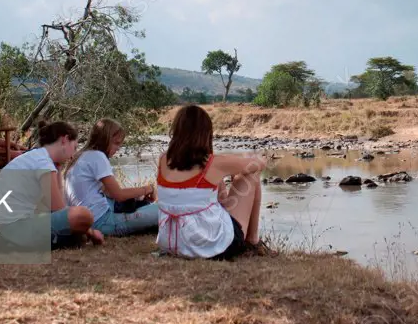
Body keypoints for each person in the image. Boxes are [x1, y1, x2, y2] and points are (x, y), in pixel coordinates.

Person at [155, 104, 272, 260]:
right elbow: (258, 164)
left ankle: (252, 241)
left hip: (173, 245)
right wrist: (248, 164)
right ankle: (253, 241)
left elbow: (219, 200)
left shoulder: (163, 159)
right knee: (251, 175)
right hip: (212, 247)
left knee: (225, 184)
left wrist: (222, 178)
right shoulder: (213, 163)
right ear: (206, 133)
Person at [0, 120, 104, 249]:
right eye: (74, 147)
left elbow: (54, 207)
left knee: (76, 223)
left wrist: (58, 170)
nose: (72, 156)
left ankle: (66, 238)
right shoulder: (43, 162)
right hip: (10, 229)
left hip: (2, 228)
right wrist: (91, 231)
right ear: (64, 139)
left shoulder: (36, 157)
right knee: (84, 215)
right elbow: (58, 209)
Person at [64, 119, 160, 237]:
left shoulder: (82, 155)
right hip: (101, 222)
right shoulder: (98, 156)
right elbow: (118, 195)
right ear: (104, 140)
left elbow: (109, 192)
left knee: (135, 204)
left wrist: (137, 196)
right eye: (116, 143)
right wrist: (148, 189)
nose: (118, 148)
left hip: (84, 219)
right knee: (163, 211)